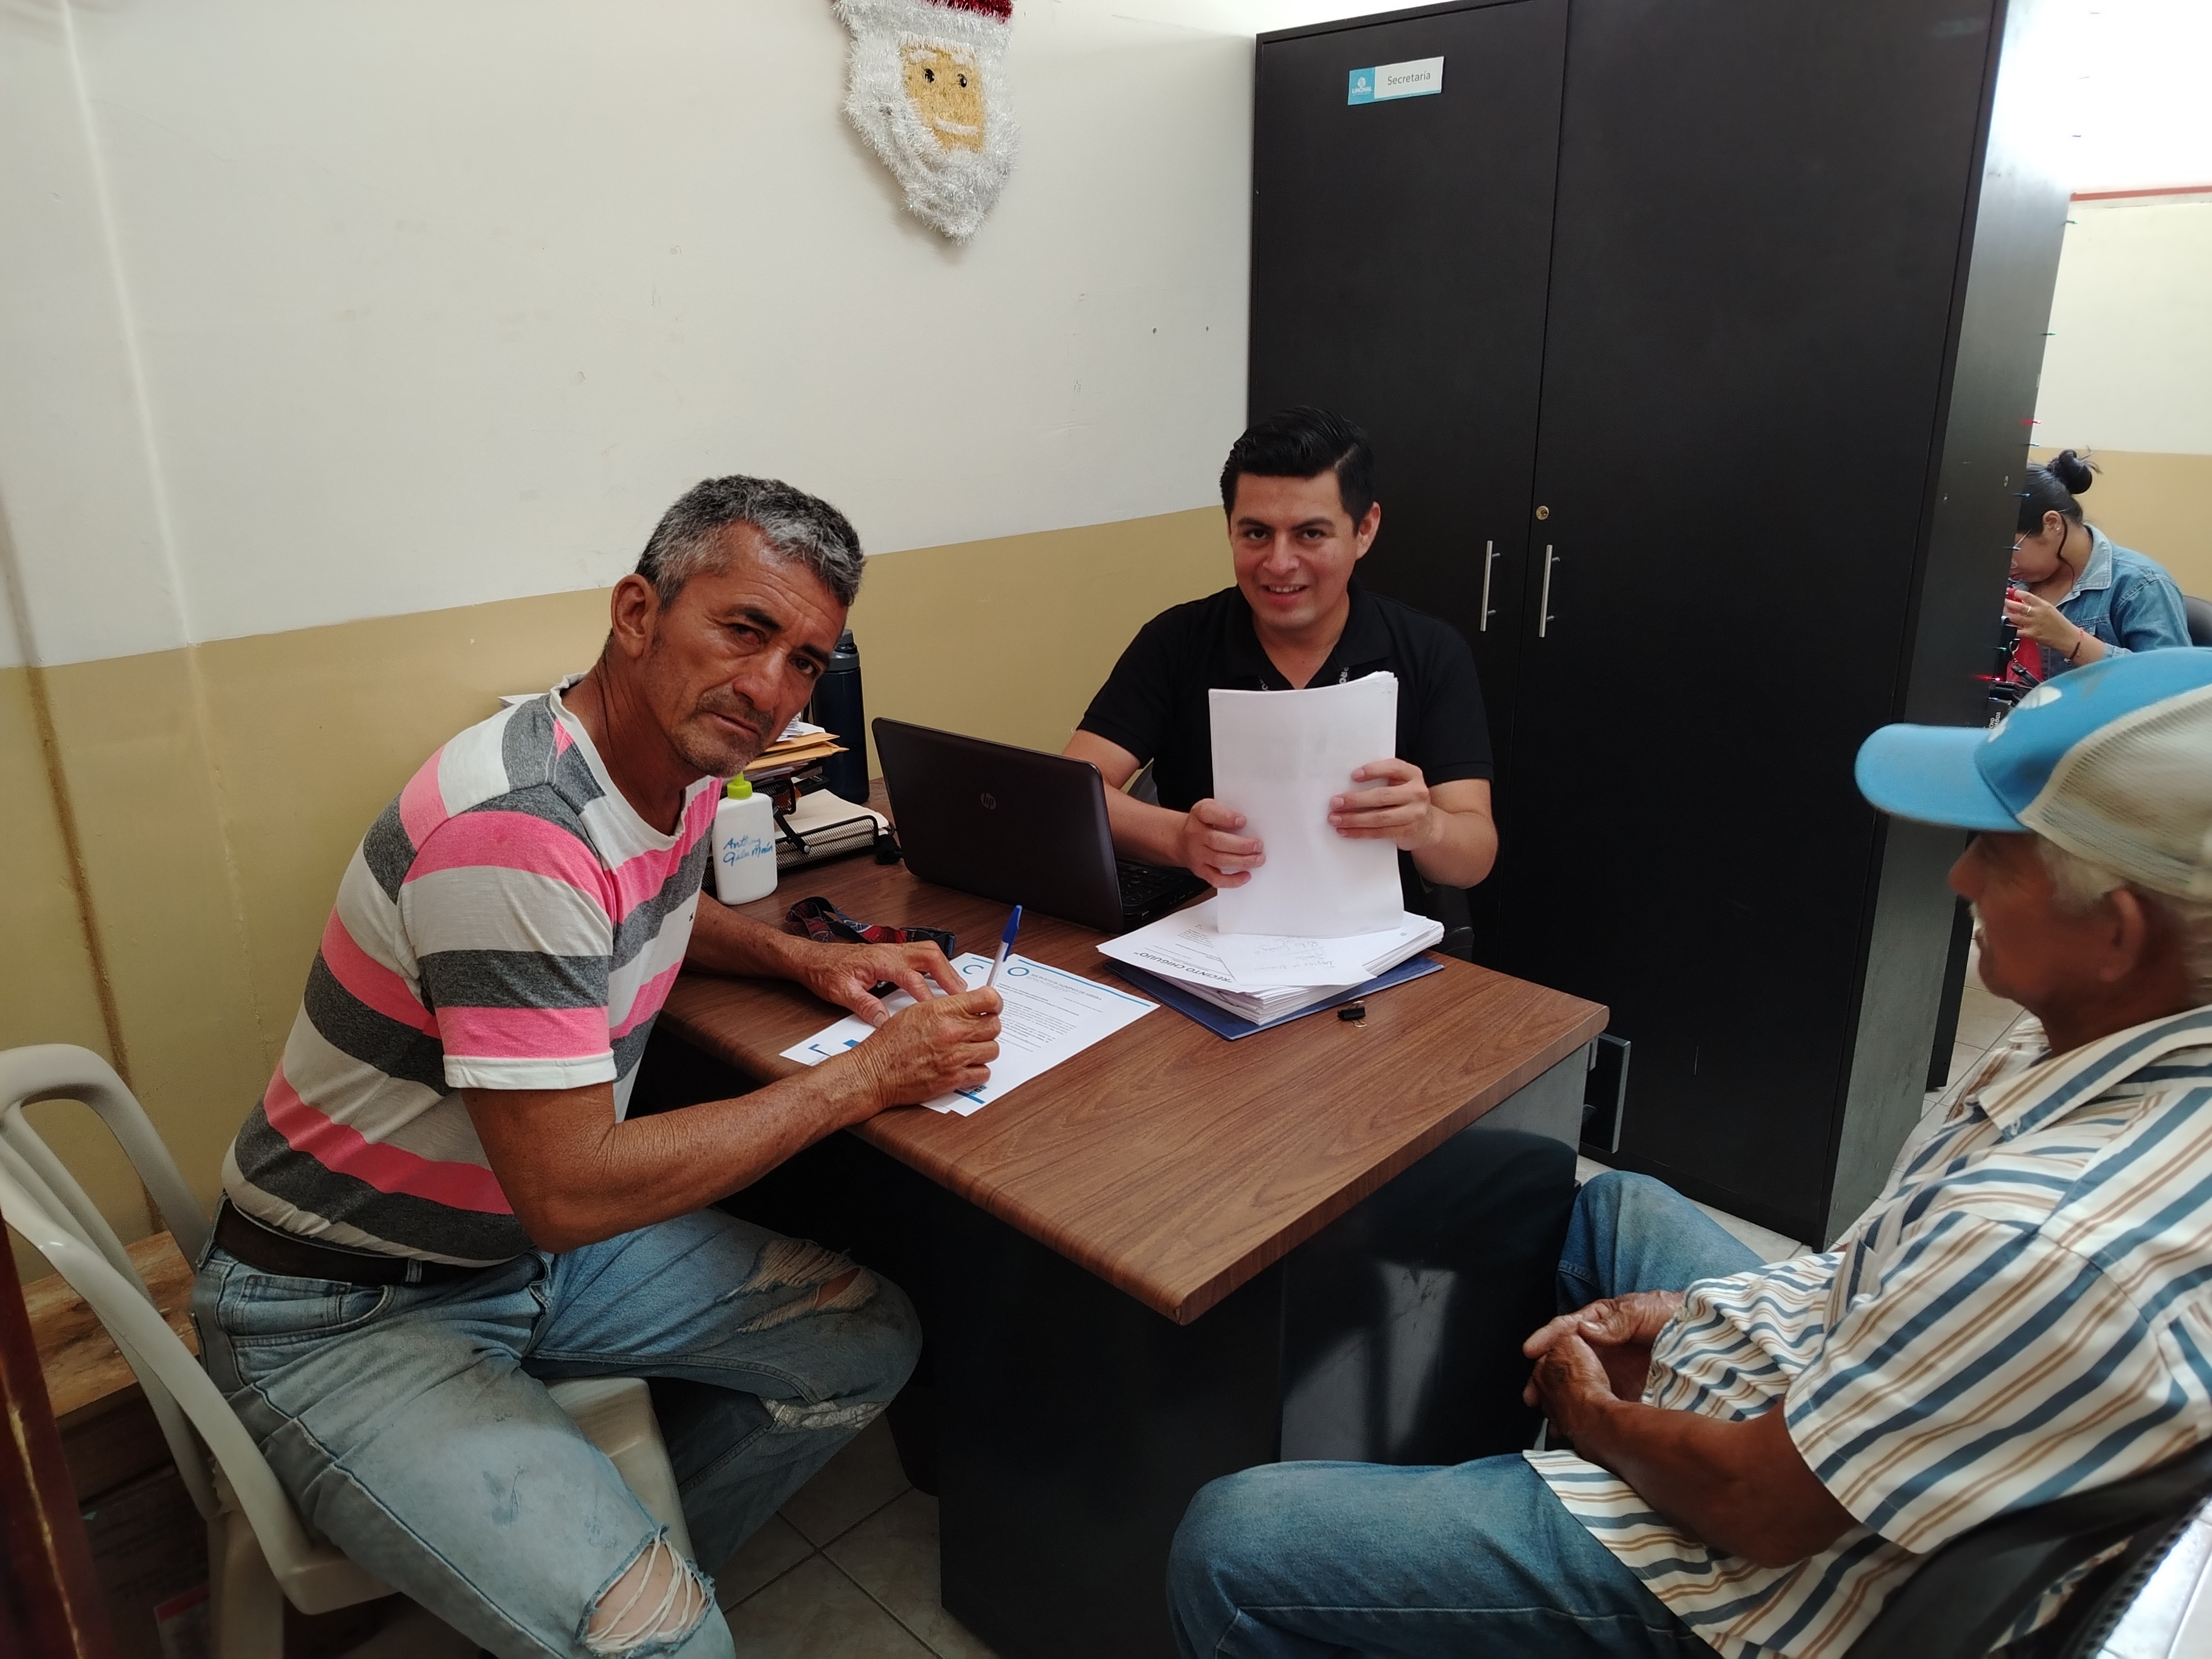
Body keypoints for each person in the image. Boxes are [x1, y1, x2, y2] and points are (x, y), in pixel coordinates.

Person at [1168, 646, 2212, 1658]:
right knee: (1613, 1207)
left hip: (1758, 1579)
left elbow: (1759, 1505)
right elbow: (1883, 1280)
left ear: (2118, 933)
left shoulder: (2045, 1240)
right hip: (1839, 1381)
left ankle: (1498, 1531)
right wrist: (1684, 1317)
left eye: (1999, 853)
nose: (1960, 876)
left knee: (1235, 1544)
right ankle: (1461, 1520)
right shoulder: (2103, 1032)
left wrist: (1593, 1416)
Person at [192, 476, 1003, 1658]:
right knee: (674, 1646)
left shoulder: (661, 768)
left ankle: (625, 1596)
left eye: (804, 662)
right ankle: (632, 1623)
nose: (771, 689)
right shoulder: (516, 831)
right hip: (348, 1304)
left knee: (865, 1340)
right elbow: (570, 1193)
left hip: (510, 1251)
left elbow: (639, 901)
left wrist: (803, 958)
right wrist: (866, 1076)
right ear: (636, 613)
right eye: (744, 630)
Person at [1065, 406, 1497, 915]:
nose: (1279, 563)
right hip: (1208, 929)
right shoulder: (1176, 641)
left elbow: (1474, 857)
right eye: (1256, 533)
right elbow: (1072, 792)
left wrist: (1428, 827)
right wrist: (1178, 837)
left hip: (1371, 936)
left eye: (1310, 534)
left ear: (1364, 530)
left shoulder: (1430, 651)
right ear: (1230, 529)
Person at [2002, 447, 2189, 682]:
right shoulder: (2013, 582)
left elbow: (2173, 682)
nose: (2006, 566)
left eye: (2012, 549)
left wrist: (2071, 641)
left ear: (2052, 523)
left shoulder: (2141, 584)